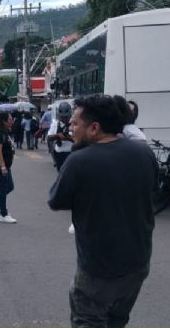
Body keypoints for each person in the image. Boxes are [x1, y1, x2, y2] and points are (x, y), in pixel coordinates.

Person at [48, 95, 157, 328]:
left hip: (98, 267)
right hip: (138, 261)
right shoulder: (144, 152)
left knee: (88, 321)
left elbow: (56, 201)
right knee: (117, 320)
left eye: (76, 123)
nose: (71, 128)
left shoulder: (79, 161)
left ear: (94, 128)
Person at [47, 102, 74, 171]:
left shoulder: (74, 124)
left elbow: (79, 139)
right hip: (59, 154)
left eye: (66, 117)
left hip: (71, 153)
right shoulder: (55, 123)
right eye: (62, 117)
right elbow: (49, 137)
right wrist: (58, 135)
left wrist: (67, 138)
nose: (64, 119)